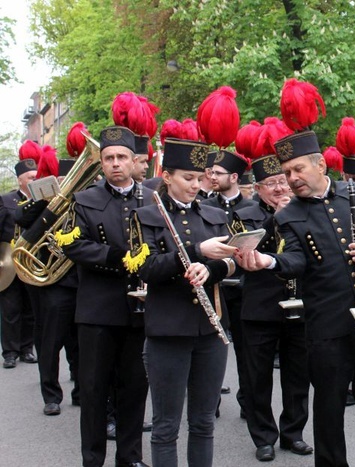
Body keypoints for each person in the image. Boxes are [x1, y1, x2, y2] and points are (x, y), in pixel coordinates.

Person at [237, 78, 355, 467]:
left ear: (320, 164)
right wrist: (268, 262)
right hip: (326, 324)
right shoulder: (290, 214)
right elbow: (296, 260)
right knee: (328, 406)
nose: (292, 179)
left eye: (297, 169)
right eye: (287, 172)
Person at [131, 136, 238, 466]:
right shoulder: (146, 216)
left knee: (204, 423)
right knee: (165, 426)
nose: (196, 185)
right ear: (167, 176)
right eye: (187, 178)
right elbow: (145, 267)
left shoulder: (214, 215)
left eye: (199, 178)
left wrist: (211, 269)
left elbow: (231, 261)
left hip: (211, 332)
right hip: (167, 332)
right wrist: (193, 254)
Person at [61, 126, 152, 467]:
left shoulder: (150, 198)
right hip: (97, 310)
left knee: (133, 388)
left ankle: (130, 458)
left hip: (138, 308)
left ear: (133, 161)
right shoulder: (84, 200)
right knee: (95, 390)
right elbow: (72, 245)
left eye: (122, 158)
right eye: (109, 158)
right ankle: (93, 459)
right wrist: (114, 257)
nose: (115, 164)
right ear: (101, 163)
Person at [233, 117, 312, 461]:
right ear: (257, 188)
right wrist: (275, 218)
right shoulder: (243, 213)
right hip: (260, 306)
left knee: (298, 375)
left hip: (300, 305)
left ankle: (293, 433)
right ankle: (263, 435)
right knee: (257, 377)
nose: (280, 189)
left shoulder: (305, 209)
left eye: (283, 181)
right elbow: (246, 248)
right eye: (271, 184)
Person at [15, 139, 81, 416]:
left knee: (80, 340)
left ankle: (80, 389)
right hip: (53, 282)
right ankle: (51, 394)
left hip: (78, 277)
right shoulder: (41, 202)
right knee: (50, 339)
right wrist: (43, 199)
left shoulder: (83, 199)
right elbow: (23, 218)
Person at [201, 148, 256, 419]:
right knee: (213, 349)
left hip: (244, 288)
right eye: (210, 172)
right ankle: (211, 402)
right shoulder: (204, 205)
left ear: (234, 177)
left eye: (218, 173)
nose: (212, 177)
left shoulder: (250, 207)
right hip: (216, 287)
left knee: (246, 351)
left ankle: (248, 401)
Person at [0, 146, 39, 369]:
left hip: (31, 260)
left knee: (29, 308)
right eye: (30, 177)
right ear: (20, 180)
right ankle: (10, 352)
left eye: (36, 177)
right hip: (9, 260)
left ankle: (27, 349)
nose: (35, 180)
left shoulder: (41, 198)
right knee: (10, 309)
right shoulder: (5, 200)